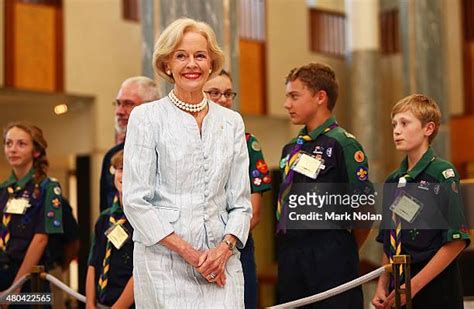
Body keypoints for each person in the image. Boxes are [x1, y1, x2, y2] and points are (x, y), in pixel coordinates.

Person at [122, 18, 252, 308]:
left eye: (200, 56)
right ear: (167, 64)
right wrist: (190, 254)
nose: (191, 64)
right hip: (163, 263)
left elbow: (241, 203)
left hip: (221, 264)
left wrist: (223, 250)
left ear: (211, 64)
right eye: (181, 56)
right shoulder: (146, 118)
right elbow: (135, 201)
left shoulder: (231, 122)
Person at [276, 63, 372, 308]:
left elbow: (364, 209)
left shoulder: (343, 144)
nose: (287, 104)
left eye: (294, 96)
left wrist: (342, 248)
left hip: (330, 253)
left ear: (320, 97)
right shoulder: (292, 148)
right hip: (291, 254)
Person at [372, 94, 470, 309]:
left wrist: (413, 286)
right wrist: (382, 283)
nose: (396, 130)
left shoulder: (441, 173)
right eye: (394, 124)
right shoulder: (393, 180)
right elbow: (390, 241)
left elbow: (456, 241)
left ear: (428, 129)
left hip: (435, 287)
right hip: (398, 286)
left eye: (405, 123)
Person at [204, 70, 272, 309]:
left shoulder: (246, 143)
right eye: (214, 93)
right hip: (194, 251)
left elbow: (253, 212)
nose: (223, 99)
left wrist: (222, 246)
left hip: (234, 247)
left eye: (227, 93)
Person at [0, 122, 64, 296]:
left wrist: (15, 288)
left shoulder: (48, 188)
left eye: (21, 144)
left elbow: (41, 239)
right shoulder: (4, 189)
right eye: (8, 143)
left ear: (35, 151)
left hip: (30, 279)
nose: (12, 149)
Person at [99, 76, 160, 212]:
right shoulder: (112, 155)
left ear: (151, 106)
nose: (119, 111)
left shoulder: (167, 150)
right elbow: (105, 212)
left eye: (128, 104)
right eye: (118, 103)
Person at [87, 150, 134, 309]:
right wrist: (89, 303)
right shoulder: (105, 218)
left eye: (130, 170)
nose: (123, 175)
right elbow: (93, 263)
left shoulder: (142, 220)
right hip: (101, 303)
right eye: (120, 169)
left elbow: (141, 273)